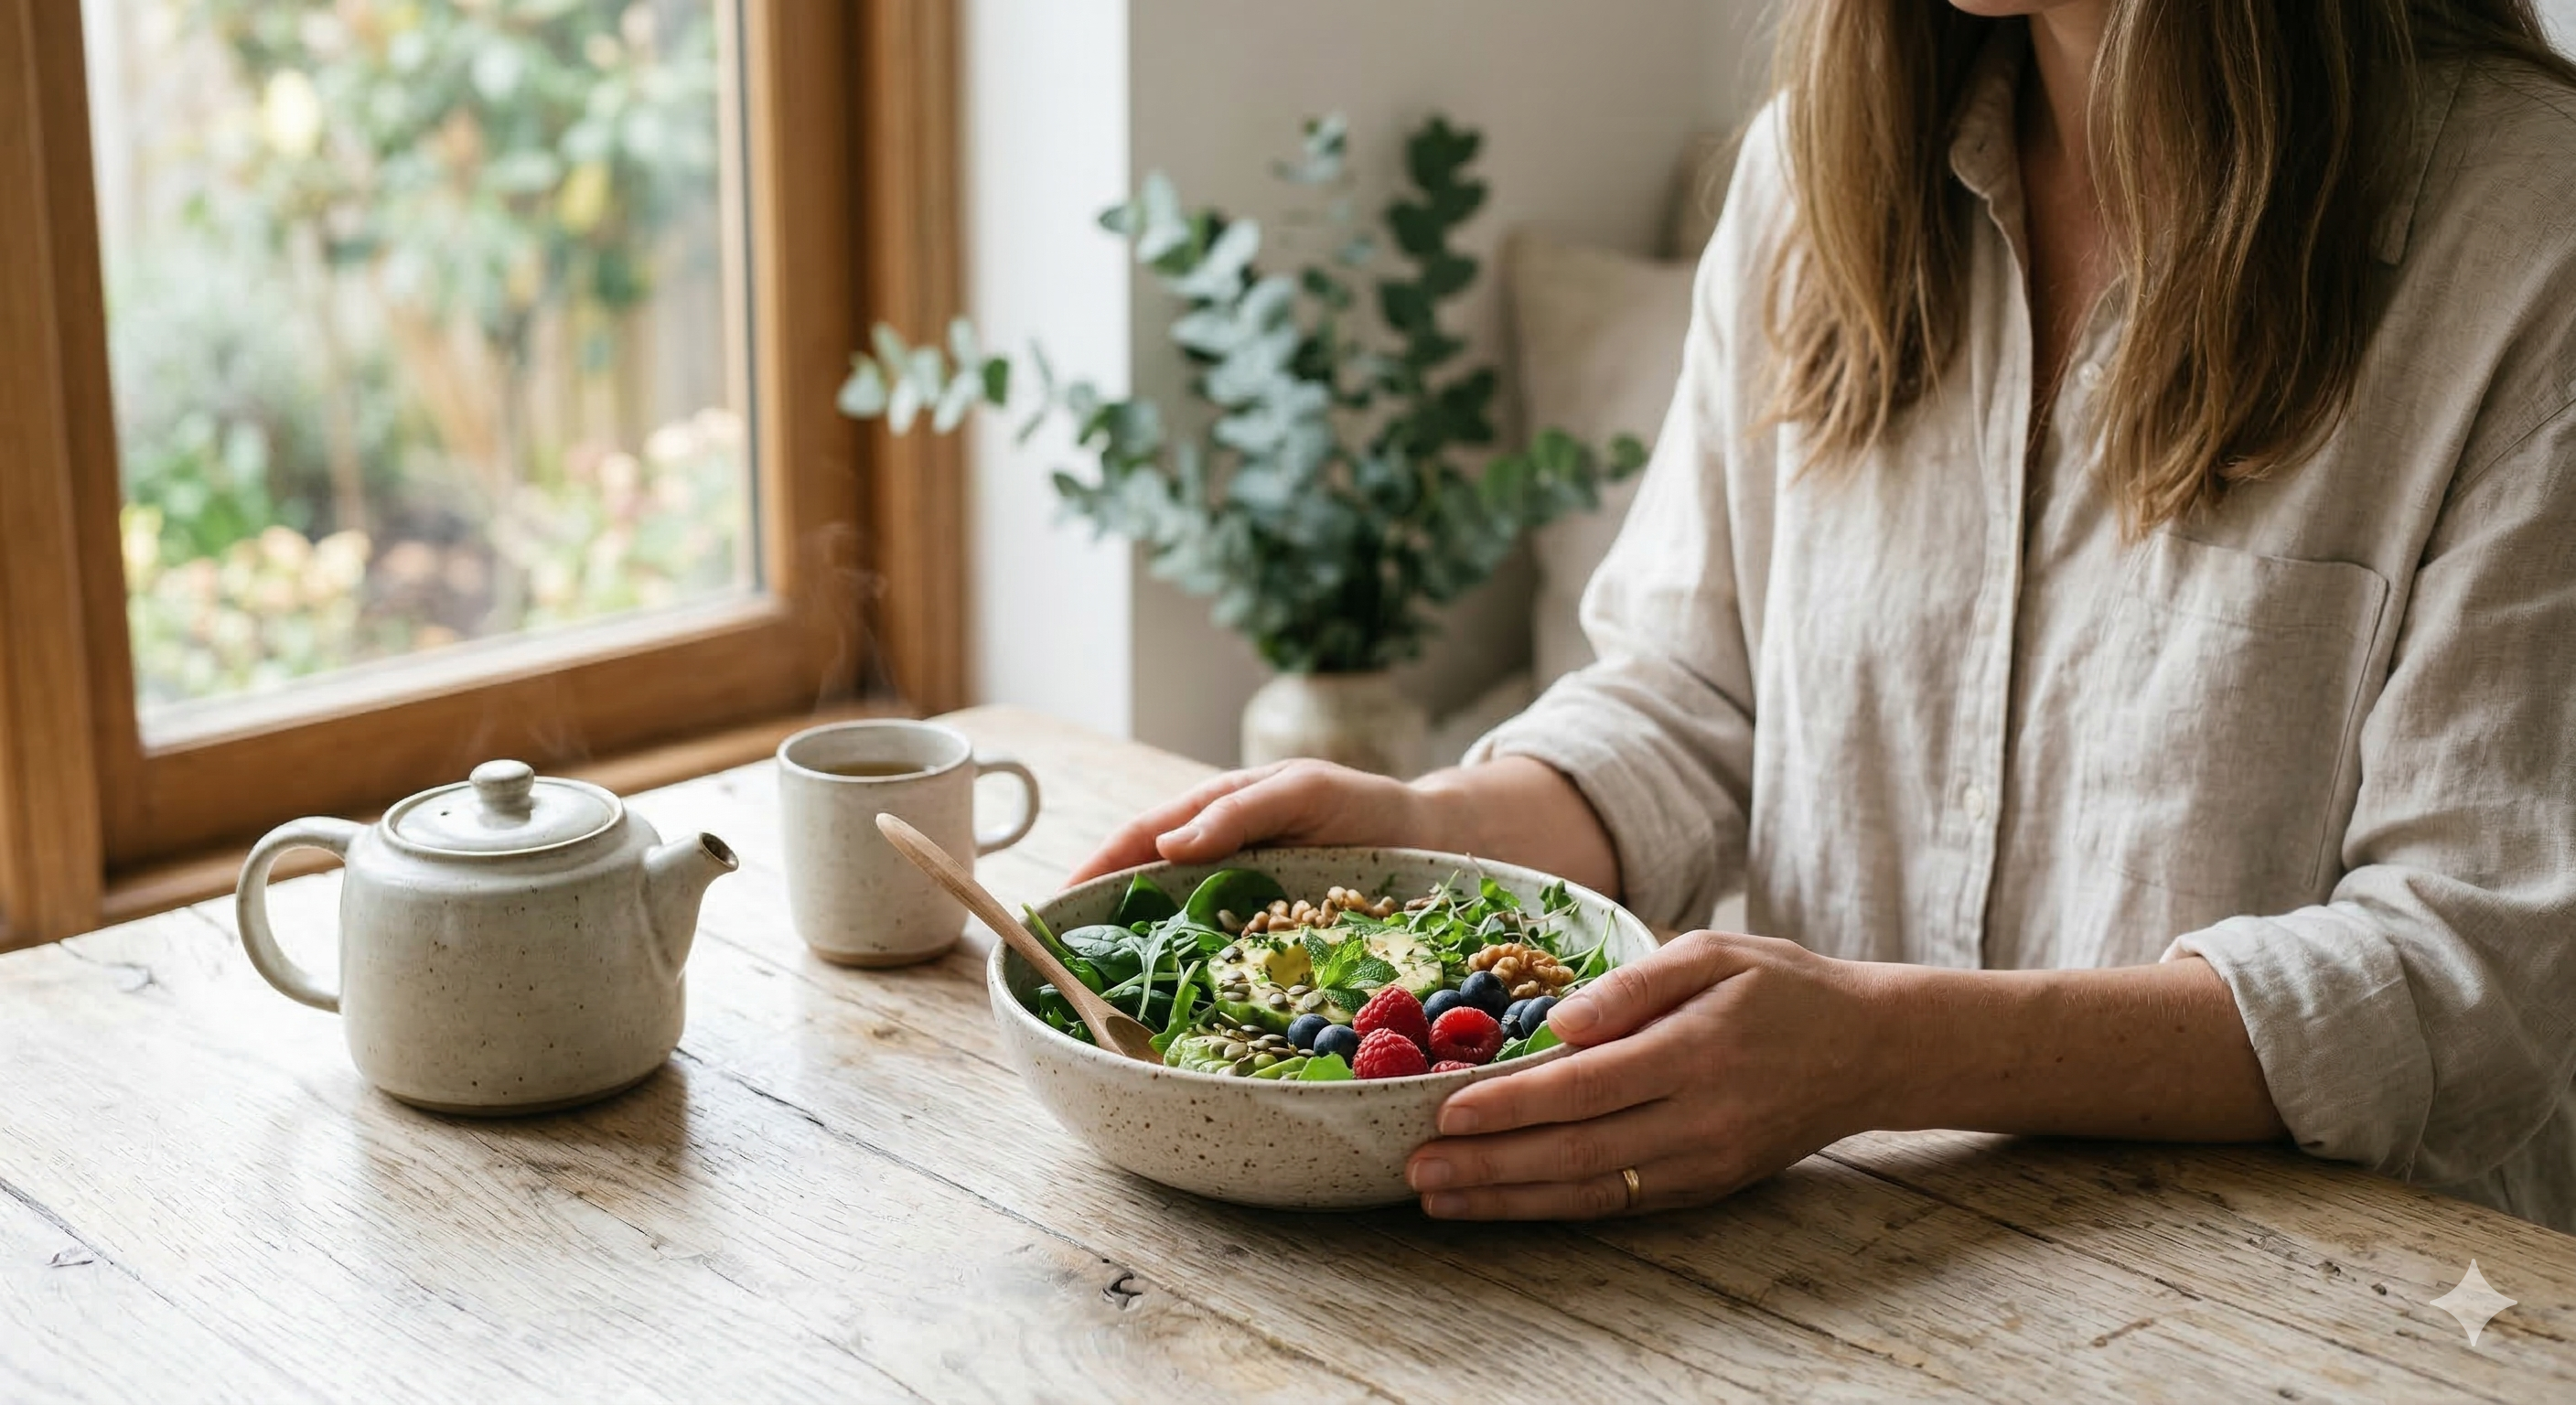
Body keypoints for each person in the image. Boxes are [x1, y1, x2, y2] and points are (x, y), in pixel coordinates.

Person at [1070, 0, 2576, 1228]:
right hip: (1831, 1268)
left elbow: (2470, 979)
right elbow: (1687, 699)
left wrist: (1882, 1050)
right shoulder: (1813, 174)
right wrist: (1429, 821)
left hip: (2324, 1305)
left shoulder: (2526, 236)